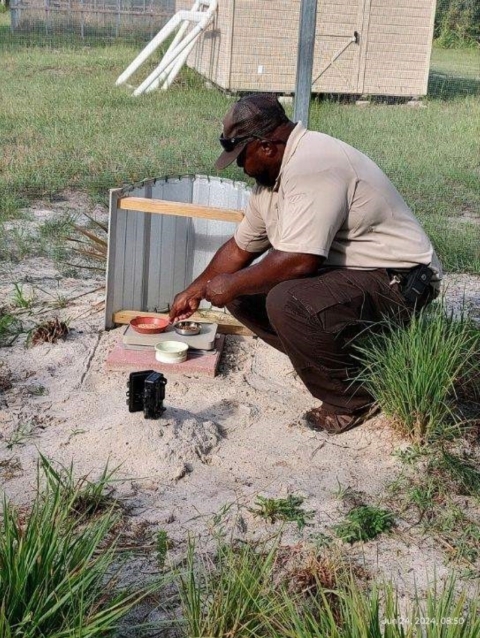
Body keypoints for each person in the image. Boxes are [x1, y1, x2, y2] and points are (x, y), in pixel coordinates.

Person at [169, 93, 442, 434]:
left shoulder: (314, 164)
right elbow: (240, 249)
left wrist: (231, 283)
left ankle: (353, 399)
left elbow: (300, 261)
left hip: (402, 281)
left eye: (241, 157)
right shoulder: (271, 181)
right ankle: (338, 366)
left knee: (286, 301)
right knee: (242, 292)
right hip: (358, 274)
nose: (239, 167)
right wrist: (196, 288)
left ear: (267, 146)